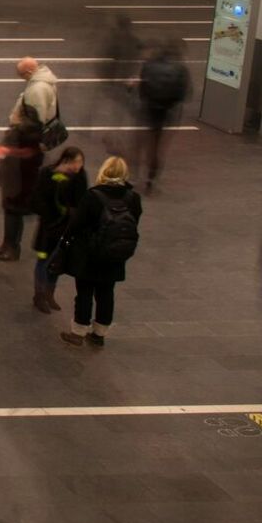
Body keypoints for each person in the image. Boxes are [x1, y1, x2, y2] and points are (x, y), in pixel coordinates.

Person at [54, 157, 144, 349]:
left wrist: (64, 243)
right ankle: (99, 334)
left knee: (85, 292)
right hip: (115, 254)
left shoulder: (93, 196)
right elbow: (134, 221)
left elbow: (77, 224)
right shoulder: (133, 198)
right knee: (106, 292)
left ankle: (78, 332)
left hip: (89, 254)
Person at [30, 146, 86, 313]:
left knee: (57, 262)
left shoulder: (79, 177)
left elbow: (81, 201)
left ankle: (49, 294)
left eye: (81, 162)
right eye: (76, 162)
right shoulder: (47, 174)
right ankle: (39, 295)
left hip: (66, 228)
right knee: (43, 261)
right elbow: (37, 199)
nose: (78, 166)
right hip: (48, 229)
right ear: (66, 160)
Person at [0, 102, 45, 262]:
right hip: (13, 177)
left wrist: (6, 151)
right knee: (10, 212)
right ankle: (7, 244)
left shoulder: (27, 133)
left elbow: (28, 154)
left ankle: (12, 247)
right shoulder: (24, 131)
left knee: (14, 212)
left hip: (20, 180)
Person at [135, 42, 188, 191]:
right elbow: (183, 93)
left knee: (147, 140)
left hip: (150, 109)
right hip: (168, 111)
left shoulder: (149, 65)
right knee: (159, 145)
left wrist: (146, 100)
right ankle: (152, 175)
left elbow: (142, 89)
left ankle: (140, 170)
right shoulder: (180, 69)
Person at [12, 57, 61, 141]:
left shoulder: (37, 90)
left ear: (28, 72)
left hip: (32, 137)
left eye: (22, 75)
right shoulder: (46, 79)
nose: (23, 79)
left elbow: (37, 118)